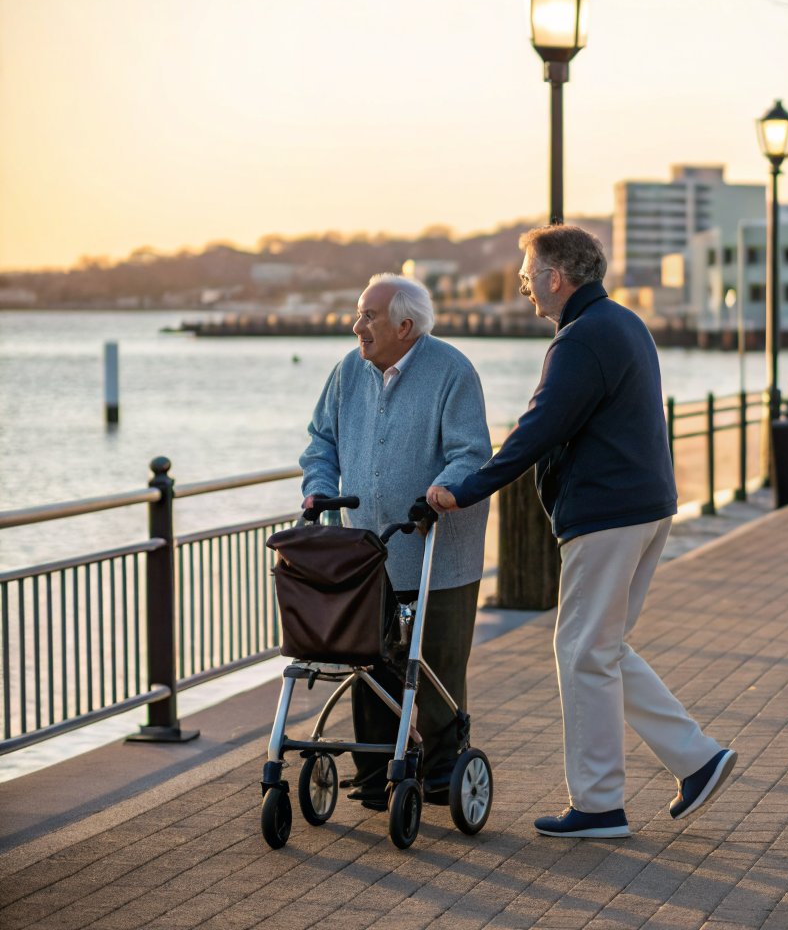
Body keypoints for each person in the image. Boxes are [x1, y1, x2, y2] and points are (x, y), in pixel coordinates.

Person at [433, 225, 737, 839]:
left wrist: (466, 489)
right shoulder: (623, 323)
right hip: (646, 508)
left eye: (528, 273)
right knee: (602, 648)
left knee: (581, 652)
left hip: (607, 516)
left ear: (556, 277)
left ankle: (600, 804)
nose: (523, 285)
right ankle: (697, 760)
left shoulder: (580, 339)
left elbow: (539, 427)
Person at [300, 273, 492, 808]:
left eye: (369, 316)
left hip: (438, 546)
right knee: (371, 661)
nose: (356, 325)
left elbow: (471, 452)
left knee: (435, 664)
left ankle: (440, 774)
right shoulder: (347, 372)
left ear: (405, 326)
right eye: (359, 314)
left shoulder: (451, 371)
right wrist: (319, 491)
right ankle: (373, 772)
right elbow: (321, 442)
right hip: (366, 550)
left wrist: (443, 490)